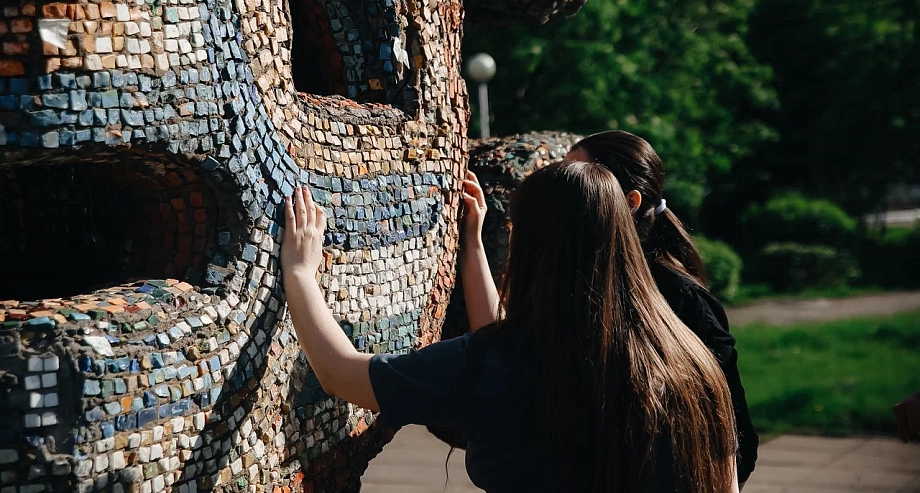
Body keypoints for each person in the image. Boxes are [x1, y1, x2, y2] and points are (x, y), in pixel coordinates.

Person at [281, 162, 740, 492]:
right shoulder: (692, 363)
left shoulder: (499, 362)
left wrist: (301, 272)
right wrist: (473, 245)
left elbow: (341, 374)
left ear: (537, 247)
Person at [563, 130, 759, 485]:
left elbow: (729, 432)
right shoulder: (575, 283)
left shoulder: (682, 300)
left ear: (630, 201)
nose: (561, 195)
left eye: (577, 180)